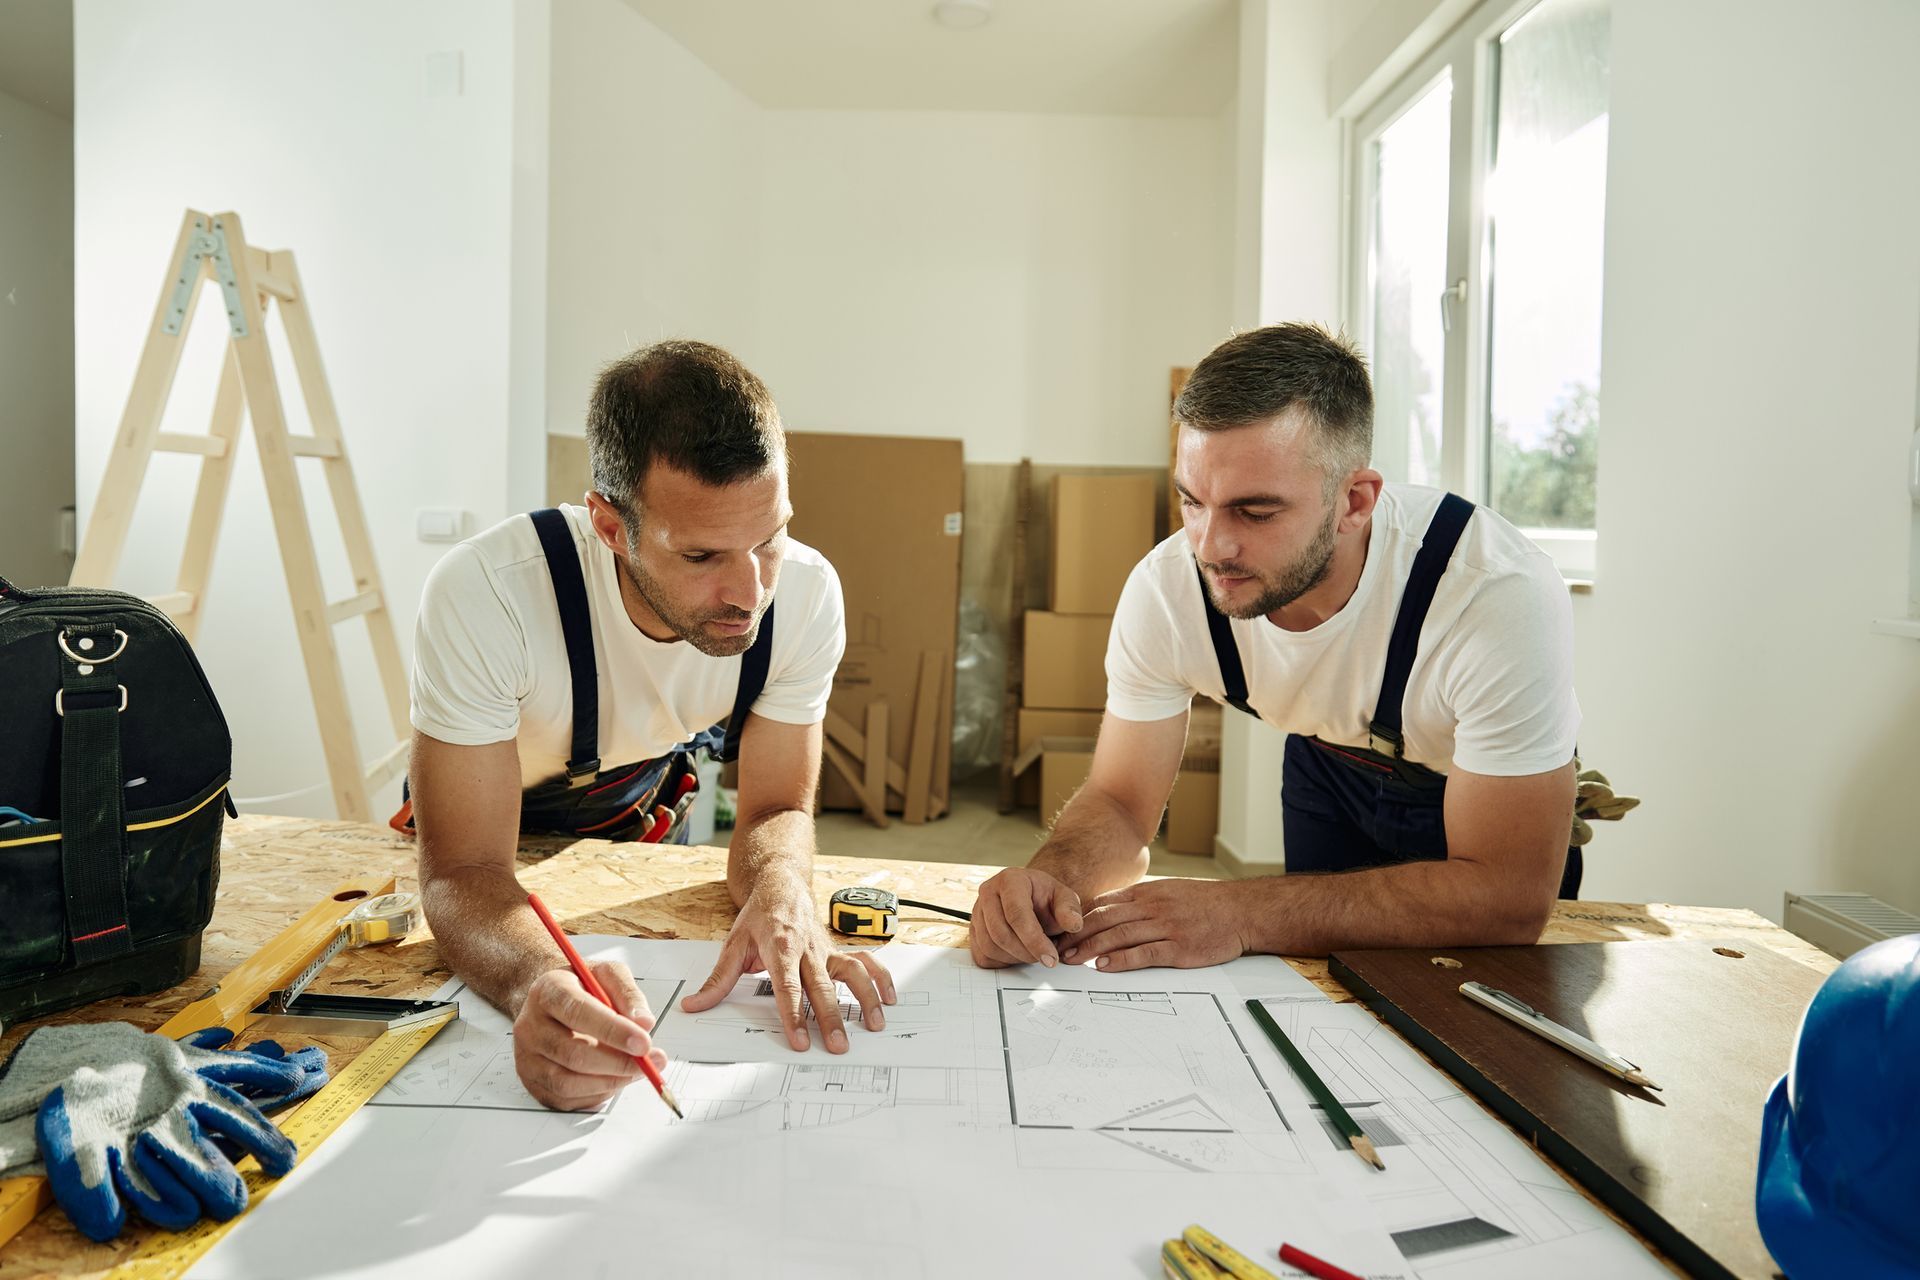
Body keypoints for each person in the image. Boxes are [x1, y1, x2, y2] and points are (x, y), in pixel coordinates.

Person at [970, 323, 1582, 972]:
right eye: (1192, 502)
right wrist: (1049, 880)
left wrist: (1238, 912)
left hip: (1476, 789)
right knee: (1323, 996)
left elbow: (1509, 896)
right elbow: (1120, 804)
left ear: (1353, 501)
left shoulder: (1493, 596)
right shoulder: (1169, 591)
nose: (1210, 547)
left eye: (1254, 513)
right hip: (1327, 767)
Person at [409, 340, 894, 1111]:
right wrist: (544, 984)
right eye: (701, 554)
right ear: (609, 525)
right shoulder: (488, 594)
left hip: (627, 806)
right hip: (489, 822)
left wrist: (780, 888)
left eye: (769, 537)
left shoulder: (803, 595)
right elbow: (462, 870)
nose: (749, 591)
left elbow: (774, 811)